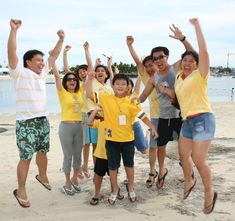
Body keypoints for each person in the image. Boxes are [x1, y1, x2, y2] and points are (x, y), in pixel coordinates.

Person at [8, 19, 64, 208]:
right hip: (25, 121)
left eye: (42, 60)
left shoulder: (42, 73)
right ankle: (21, 189)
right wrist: (14, 31)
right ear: (28, 62)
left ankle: (42, 175)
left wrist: (61, 40)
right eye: (38, 60)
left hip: (42, 120)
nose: (42, 63)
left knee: (43, 152)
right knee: (26, 156)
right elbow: (11, 52)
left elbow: (54, 56)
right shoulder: (19, 72)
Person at [86, 73, 158, 205]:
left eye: (123, 84)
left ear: (127, 87)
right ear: (112, 86)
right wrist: (89, 79)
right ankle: (114, 190)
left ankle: (131, 188)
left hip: (128, 140)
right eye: (117, 84)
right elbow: (89, 94)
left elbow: (142, 116)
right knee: (113, 167)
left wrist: (152, 127)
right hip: (111, 140)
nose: (120, 86)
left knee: (129, 166)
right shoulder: (105, 98)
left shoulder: (130, 101)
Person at [175, 18, 217, 214]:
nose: (188, 63)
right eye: (185, 60)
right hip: (187, 121)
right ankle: (189, 180)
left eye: (192, 61)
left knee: (199, 160)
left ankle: (209, 192)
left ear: (197, 64)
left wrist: (196, 29)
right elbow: (190, 54)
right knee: (184, 156)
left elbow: (202, 52)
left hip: (203, 119)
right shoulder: (178, 76)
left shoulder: (200, 75)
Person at [126, 36, 160, 188]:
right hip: (156, 116)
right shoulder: (147, 77)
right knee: (153, 147)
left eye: (151, 64)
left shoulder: (167, 74)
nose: (149, 67)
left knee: (181, 146)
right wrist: (130, 46)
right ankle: (152, 172)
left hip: (174, 115)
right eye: (147, 66)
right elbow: (137, 62)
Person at [52, 63, 83, 196]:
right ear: (66, 82)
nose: (72, 81)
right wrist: (53, 61)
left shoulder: (81, 92)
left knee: (78, 155)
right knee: (68, 156)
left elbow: (89, 77)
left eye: (74, 79)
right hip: (66, 127)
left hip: (79, 126)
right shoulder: (62, 92)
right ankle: (67, 182)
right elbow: (57, 77)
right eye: (69, 79)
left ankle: (75, 179)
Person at [87, 106, 124, 205]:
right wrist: (95, 110)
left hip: (113, 154)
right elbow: (89, 122)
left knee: (114, 176)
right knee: (99, 176)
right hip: (100, 155)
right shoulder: (100, 122)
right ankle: (97, 194)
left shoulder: (117, 122)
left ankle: (115, 191)